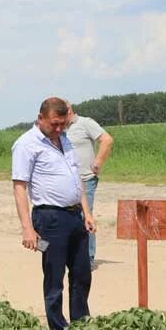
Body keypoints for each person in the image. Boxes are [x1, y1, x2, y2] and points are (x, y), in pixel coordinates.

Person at [12, 97, 95, 330]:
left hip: (74, 215)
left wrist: (86, 212)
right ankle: (58, 329)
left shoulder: (65, 140)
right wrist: (27, 228)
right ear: (40, 118)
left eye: (63, 124)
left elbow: (75, 177)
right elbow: (19, 187)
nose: (59, 129)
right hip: (48, 219)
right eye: (54, 124)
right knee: (54, 277)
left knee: (81, 274)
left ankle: (81, 325)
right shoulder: (26, 144)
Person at [65, 101, 113, 270]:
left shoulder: (85, 123)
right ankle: (71, 256)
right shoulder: (59, 128)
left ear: (69, 110)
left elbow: (106, 140)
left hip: (85, 179)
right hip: (66, 181)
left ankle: (88, 258)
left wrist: (98, 162)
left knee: (86, 217)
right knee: (68, 218)